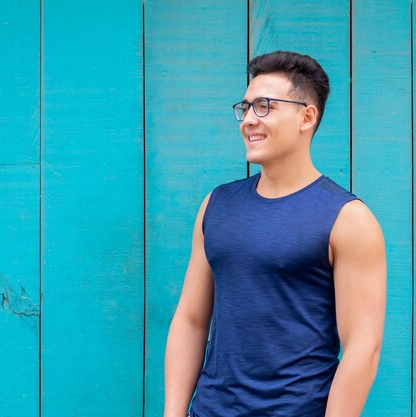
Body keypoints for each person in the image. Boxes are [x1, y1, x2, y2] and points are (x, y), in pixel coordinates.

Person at [163, 50, 386, 417]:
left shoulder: (348, 219)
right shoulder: (216, 205)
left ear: (306, 116)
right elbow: (190, 319)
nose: (248, 120)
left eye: (264, 106)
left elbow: (363, 346)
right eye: (246, 107)